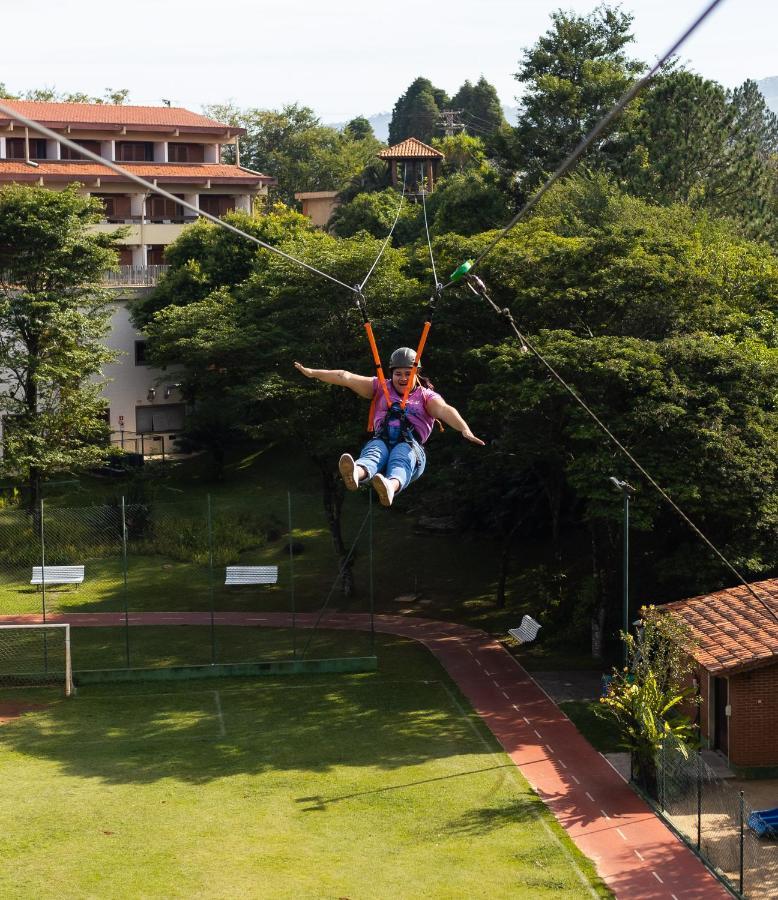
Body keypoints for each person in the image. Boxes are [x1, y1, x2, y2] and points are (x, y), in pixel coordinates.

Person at [294, 347, 485, 507]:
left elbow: (445, 410)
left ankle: (390, 487)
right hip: (382, 439)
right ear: (391, 373)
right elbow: (345, 377)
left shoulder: (426, 396)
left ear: (416, 375)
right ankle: (356, 473)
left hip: (411, 449)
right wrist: (313, 373)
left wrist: (464, 428)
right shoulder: (380, 387)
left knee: (401, 456)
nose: (403, 378)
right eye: (398, 374)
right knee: (374, 452)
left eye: (408, 374)